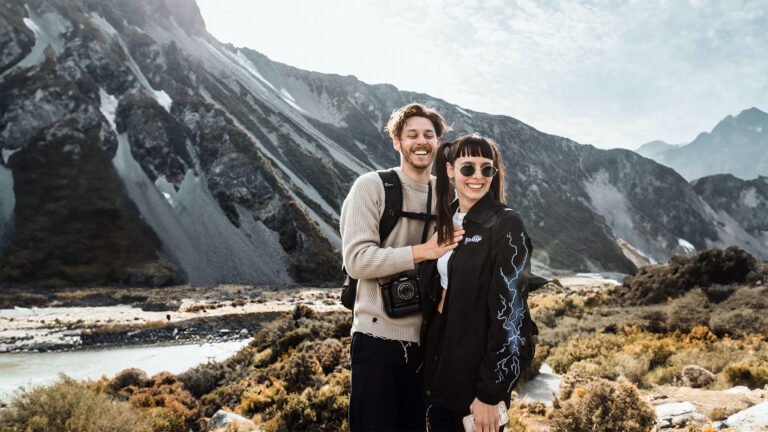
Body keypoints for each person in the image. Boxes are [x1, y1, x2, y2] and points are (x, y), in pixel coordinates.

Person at [340, 103, 464, 431]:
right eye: (412, 135)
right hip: (376, 339)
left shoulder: (449, 196)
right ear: (397, 142)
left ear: (438, 142)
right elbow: (357, 260)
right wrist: (423, 251)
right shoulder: (371, 187)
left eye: (428, 135)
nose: (421, 142)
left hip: (428, 344)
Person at [418, 134, 536, 432]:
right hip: (440, 367)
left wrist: (490, 393)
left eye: (487, 169)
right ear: (450, 170)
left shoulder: (506, 224)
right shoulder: (446, 221)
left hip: (477, 381)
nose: (478, 176)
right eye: (468, 167)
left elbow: (512, 315)